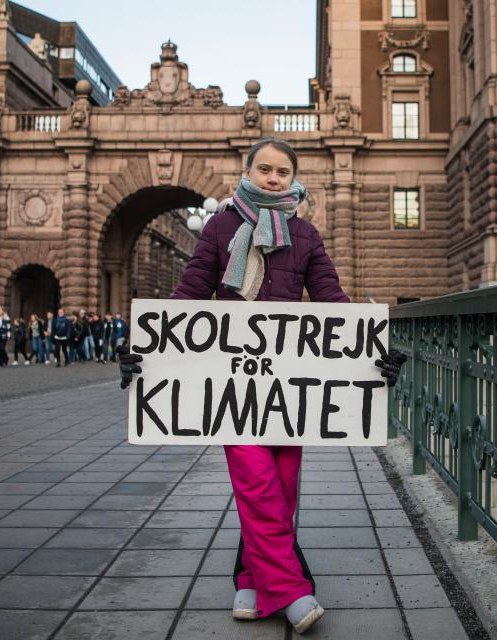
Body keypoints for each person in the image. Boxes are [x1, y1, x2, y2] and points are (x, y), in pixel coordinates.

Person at [117, 137, 407, 635]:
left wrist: (371, 350)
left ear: (293, 178)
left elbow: (331, 299)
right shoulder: (221, 225)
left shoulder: (307, 234)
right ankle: (290, 590)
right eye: (265, 169)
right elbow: (190, 291)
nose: (274, 178)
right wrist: (148, 348)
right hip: (233, 382)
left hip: (288, 386)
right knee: (255, 482)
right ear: (247, 170)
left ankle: (251, 579)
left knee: (284, 484)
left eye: (282, 171)